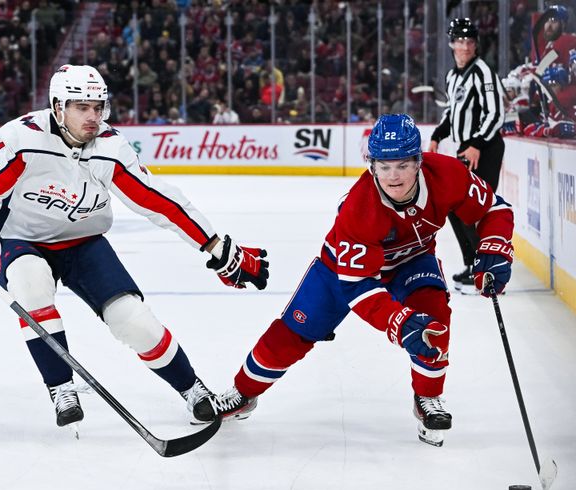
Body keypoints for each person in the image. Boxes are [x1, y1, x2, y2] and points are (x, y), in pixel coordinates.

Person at [0, 64, 269, 430]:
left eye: (98, 107)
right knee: (30, 284)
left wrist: (217, 246)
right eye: (82, 107)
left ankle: (193, 389)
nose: (93, 117)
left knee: (131, 319)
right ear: (58, 106)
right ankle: (61, 386)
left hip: (84, 242)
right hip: (22, 239)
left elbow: (160, 201)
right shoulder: (22, 139)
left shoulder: (110, 146)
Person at [207, 114, 514, 447]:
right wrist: (397, 321)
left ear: (419, 162)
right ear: (372, 166)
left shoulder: (448, 174)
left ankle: (427, 399)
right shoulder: (358, 207)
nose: (393, 176)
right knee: (292, 333)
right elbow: (358, 286)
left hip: (412, 260)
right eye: (384, 166)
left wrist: (494, 248)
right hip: (340, 270)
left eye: (402, 165)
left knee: (435, 317)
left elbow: (494, 209)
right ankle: (243, 393)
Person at [428, 18, 505, 295]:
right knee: (454, 208)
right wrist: (438, 134)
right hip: (467, 149)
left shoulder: (483, 71)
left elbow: (495, 113)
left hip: (485, 148)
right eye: (459, 41)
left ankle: (488, 271)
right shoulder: (452, 76)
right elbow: (453, 112)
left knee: (473, 210)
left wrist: (476, 143)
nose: (464, 46)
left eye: (469, 41)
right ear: (452, 44)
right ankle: (473, 265)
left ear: (475, 45)